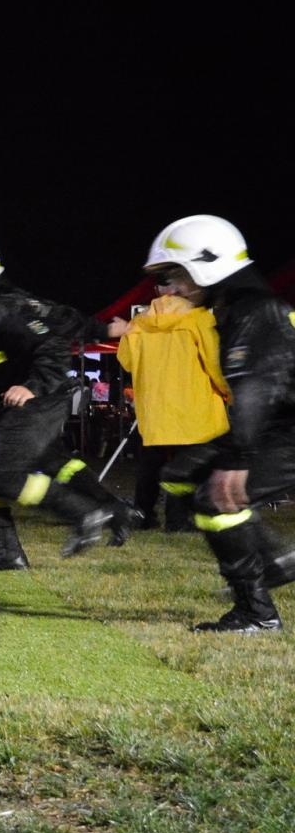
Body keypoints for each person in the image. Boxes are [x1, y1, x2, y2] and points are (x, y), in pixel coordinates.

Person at [0, 229, 129, 570]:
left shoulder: (7, 308)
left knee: (1, 474)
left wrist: (33, 386)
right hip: (7, 403)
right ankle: (8, 553)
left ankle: (86, 512)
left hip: (40, 401)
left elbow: (52, 345)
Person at [148, 216, 295, 632]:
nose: (172, 288)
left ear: (208, 263)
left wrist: (236, 458)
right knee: (180, 473)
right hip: (279, 424)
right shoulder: (242, 307)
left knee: (215, 500)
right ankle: (276, 560)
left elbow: (255, 388)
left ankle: (256, 614)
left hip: (285, 429)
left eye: (177, 275)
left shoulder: (255, 311)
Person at [107, 272, 229, 532]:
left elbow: (126, 361)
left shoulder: (138, 323)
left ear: (158, 290)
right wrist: (227, 392)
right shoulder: (198, 318)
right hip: (194, 404)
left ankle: (143, 515)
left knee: (151, 464)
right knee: (187, 464)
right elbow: (214, 362)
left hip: (154, 408)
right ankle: (178, 520)